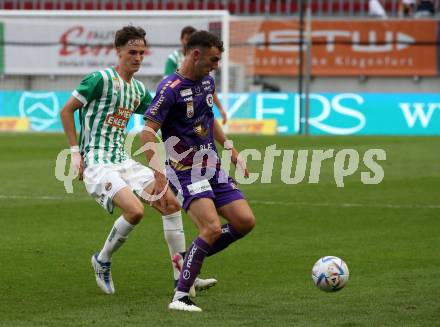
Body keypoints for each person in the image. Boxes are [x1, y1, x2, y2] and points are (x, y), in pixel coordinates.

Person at [60, 25, 216, 296]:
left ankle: (183, 278)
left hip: (122, 160)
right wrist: (76, 153)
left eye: (142, 52)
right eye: (132, 52)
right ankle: (102, 260)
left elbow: (162, 114)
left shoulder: (138, 91)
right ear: (118, 51)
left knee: (170, 204)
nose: (138, 57)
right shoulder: (99, 79)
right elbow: (67, 111)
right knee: (135, 211)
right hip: (97, 162)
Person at [141, 30, 256, 312]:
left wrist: (230, 147)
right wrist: (158, 173)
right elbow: (146, 133)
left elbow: (209, 117)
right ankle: (180, 296)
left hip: (212, 166)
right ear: (195, 54)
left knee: (244, 222)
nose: (216, 65)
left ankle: (190, 261)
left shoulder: (207, 81)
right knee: (211, 228)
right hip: (185, 171)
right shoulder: (170, 89)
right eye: (213, 59)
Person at [164, 25, 228, 125]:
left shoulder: (206, 77)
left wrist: (220, 108)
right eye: (186, 39)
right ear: (181, 40)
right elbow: (168, 84)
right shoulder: (173, 58)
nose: (215, 66)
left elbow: (209, 88)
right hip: (181, 103)